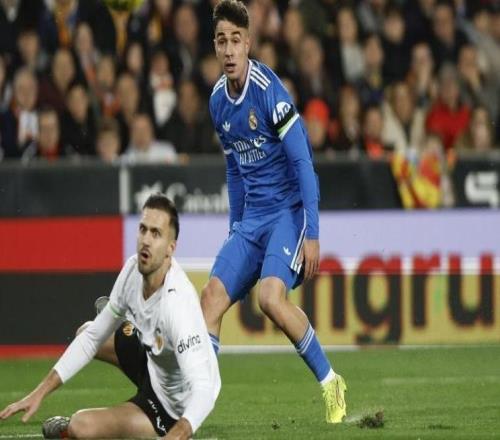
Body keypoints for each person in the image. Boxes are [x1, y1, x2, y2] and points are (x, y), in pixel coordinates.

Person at [202, 0, 346, 424]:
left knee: (269, 298)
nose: (229, 49)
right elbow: (234, 167)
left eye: (236, 40)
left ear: (248, 43)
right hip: (251, 221)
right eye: (221, 41)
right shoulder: (217, 101)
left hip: (287, 213)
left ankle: (331, 382)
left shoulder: (269, 92)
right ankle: (198, 401)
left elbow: (303, 163)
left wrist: (312, 233)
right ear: (215, 47)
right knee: (210, 299)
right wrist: (235, 227)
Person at [0, 194, 221, 440]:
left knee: (81, 427)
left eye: (156, 234)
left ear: (171, 248)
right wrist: (39, 393)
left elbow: (204, 390)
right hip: (151, 364)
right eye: (143, 229)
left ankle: (77, 428)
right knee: (86, 331)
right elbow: (93, 338)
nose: (146, 240)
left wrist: (179, 432)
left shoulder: (177, 305)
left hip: (172, 408)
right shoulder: (132, 271)